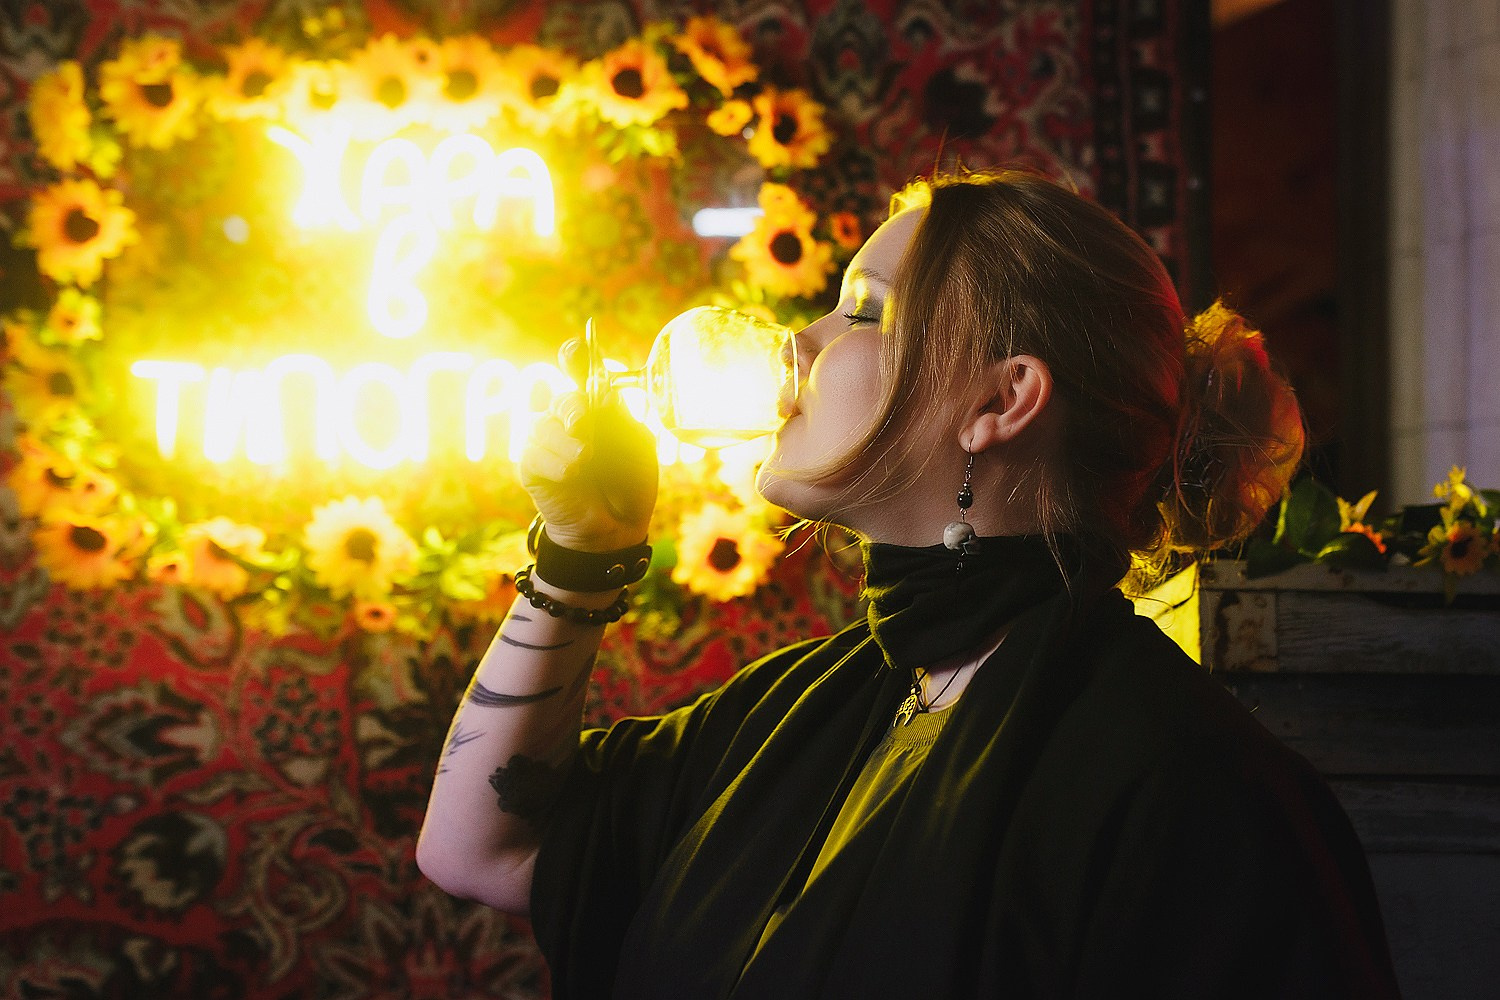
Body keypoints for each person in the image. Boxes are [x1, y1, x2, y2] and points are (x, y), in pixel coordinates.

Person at [418, 169, 1402, 999]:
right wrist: (580, 556)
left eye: (864, 309)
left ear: (1002, 398)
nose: (799, 341)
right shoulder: (798, 709)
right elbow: (477, 851)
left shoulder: (1188, 792)